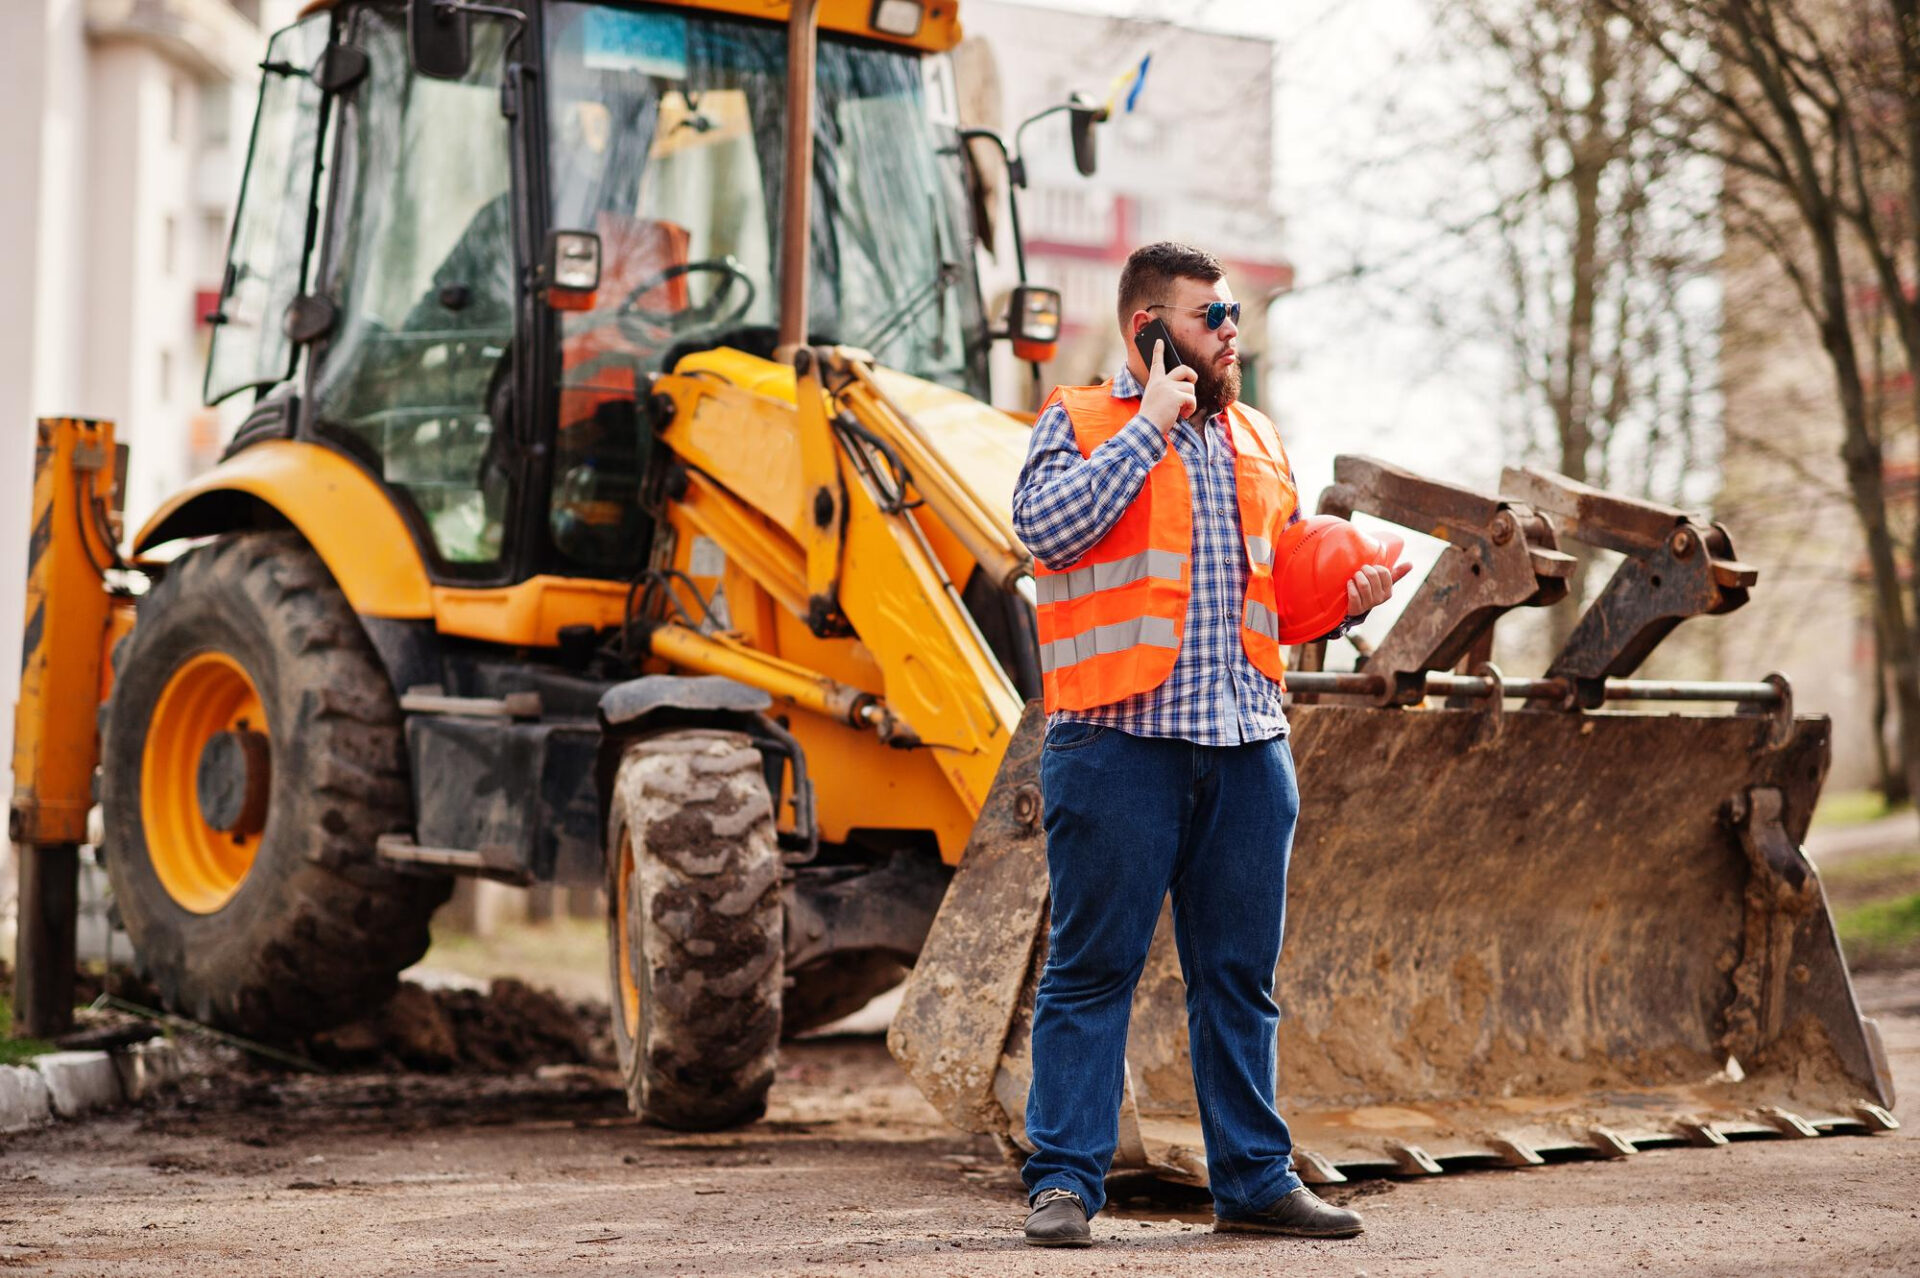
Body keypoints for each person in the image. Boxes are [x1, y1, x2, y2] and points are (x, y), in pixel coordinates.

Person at [1009, 241, 1408, 1247]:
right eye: (1209, 316)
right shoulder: (1081, 421)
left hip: (1245, 743)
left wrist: (1343, 603)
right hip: (1117, 744)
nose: (1232, 330)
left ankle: (1254, 1181)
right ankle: (1063, 1184)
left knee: (1239, 977)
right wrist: (1150, 426)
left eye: (1233, 314)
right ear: (1148, 328)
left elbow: (1272, 585)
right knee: (1092, 970)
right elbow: (1044, 532)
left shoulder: (1260, 439)